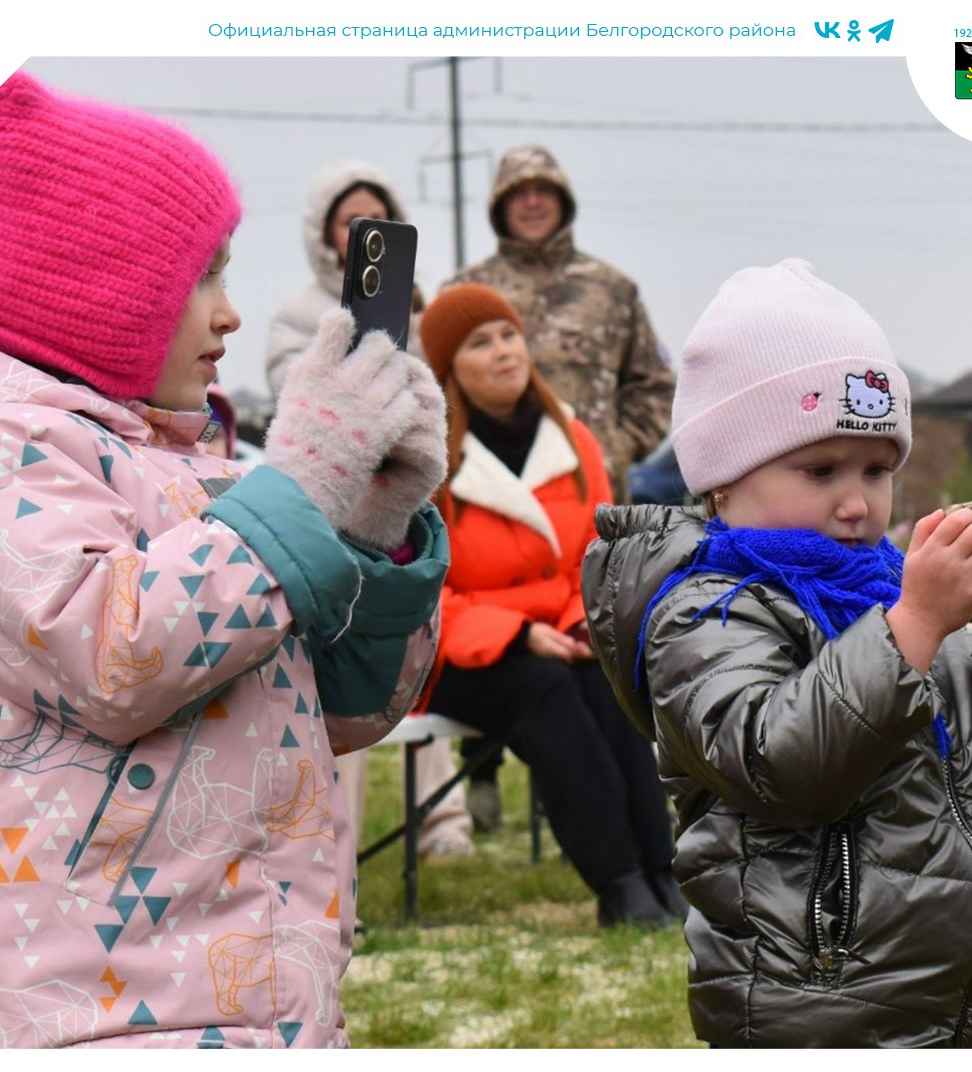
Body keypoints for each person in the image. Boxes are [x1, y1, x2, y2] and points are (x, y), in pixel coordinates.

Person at [0, 71, 449, 1049]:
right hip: (85, 1001)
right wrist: (298, 491)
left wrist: (369, 526)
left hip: (243, 973)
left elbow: (340, 707)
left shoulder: (190, 473)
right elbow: (114, 654)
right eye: (200, 276)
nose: (231, 315)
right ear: (93, 288)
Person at [582, 259, 972, 1047]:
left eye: (879, 469)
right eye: (820, 469)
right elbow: (783, 762)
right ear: (722, 479)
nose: (857, 501)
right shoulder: (702, 609)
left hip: (951, 1001)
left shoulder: (889, 590)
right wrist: (913, 624)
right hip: (813, 1006)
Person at [414, 283, 685, 928]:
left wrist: (574, 625)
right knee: (546, 692)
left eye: (508, 334)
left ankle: (665, 872)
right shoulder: (426, 459)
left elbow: (593, 561)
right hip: (457, 651)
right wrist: (516, 632)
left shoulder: (573, 439)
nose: (504, 351)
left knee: (605, 683)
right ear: (449, 369)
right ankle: (619, 884)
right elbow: (421, 587)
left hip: (559, 634)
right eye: (480, 343)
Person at [444, 144, 676, 829]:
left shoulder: (612, 288)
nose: (534, 202)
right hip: (490, 497)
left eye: (546, 190)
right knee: (498, 620)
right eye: (520, 193)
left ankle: (616, 790)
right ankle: (481, 772)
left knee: (599, 642)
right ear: (499, 205)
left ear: (564, 199)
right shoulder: (469, 290)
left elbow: (654, 386)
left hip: (587, 500)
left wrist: (615, 449)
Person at [266, 158, 474, 862]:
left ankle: (445, 823)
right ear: (325, 231)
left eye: (374, 216)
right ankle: (331, 840)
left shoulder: (416, 310)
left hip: (402, 496)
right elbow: (293, 396)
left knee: (407, 653)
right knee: (339, 662)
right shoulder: (299, 314)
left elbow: (439, 394)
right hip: (329, 507)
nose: (361, 229)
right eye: (348, 217)